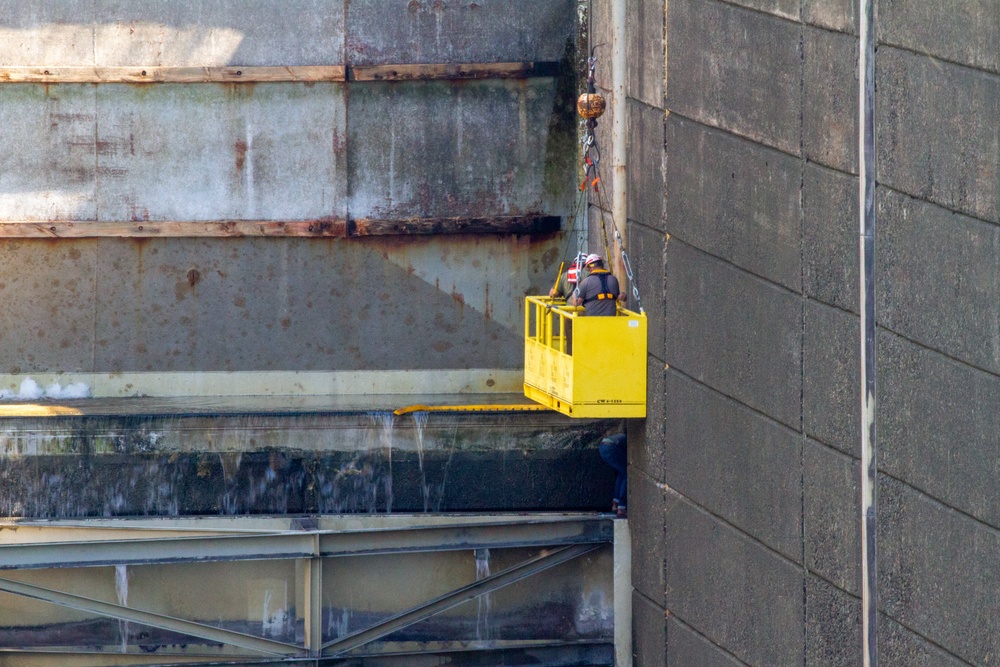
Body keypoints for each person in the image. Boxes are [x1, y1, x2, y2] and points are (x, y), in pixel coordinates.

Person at [599, 433, 627, 518]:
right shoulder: (632, 438)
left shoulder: (623, 436)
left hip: (602, 447)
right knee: (627, 474)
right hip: (611, 447)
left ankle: (615, 504)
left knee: (621, 474)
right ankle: (621, 508)